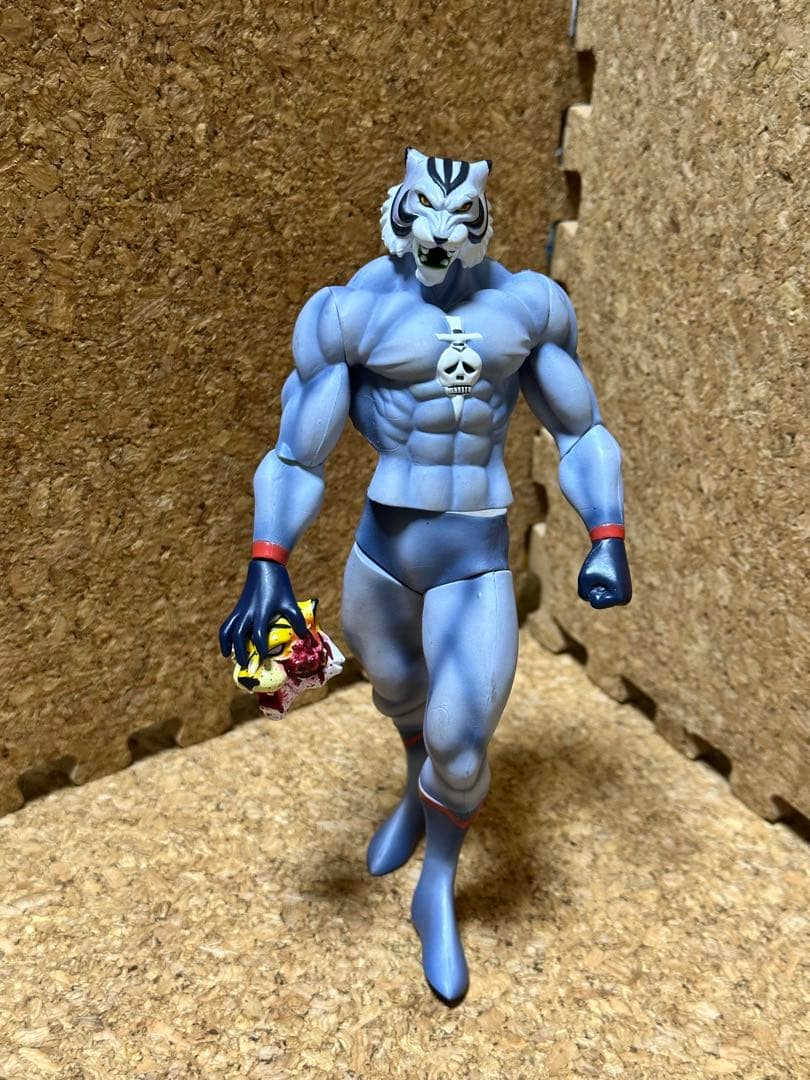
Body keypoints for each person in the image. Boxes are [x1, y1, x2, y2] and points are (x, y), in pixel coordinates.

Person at [219, 148, 632, 1004]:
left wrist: (607, 532)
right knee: (398, 694)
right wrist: (267, 560)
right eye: (422, 219)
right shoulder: (352, 314)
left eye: (457, 221)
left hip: (473, 558)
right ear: (397, 215)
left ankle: (436, 884)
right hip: (383, 554)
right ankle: (415, 791)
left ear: (479, 222)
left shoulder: (525, 310)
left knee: (463, 739)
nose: (437, 238)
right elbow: (296, 454)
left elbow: (581, 432)